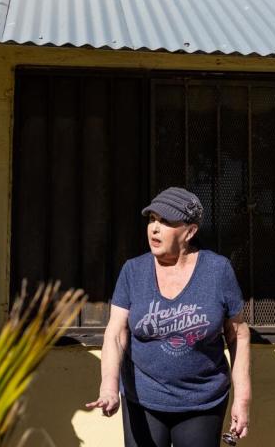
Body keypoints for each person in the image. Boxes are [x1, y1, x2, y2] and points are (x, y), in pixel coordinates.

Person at [86, 187, 251, 446]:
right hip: (143, 399)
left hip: (202, 401)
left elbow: (237, 334)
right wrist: (109, 386)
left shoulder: (218, 271)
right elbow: (116, 333)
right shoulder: (133, 271)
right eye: (152, 219)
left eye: (165, 221)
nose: (154, 228)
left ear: (190, 231)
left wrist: (242, 399)